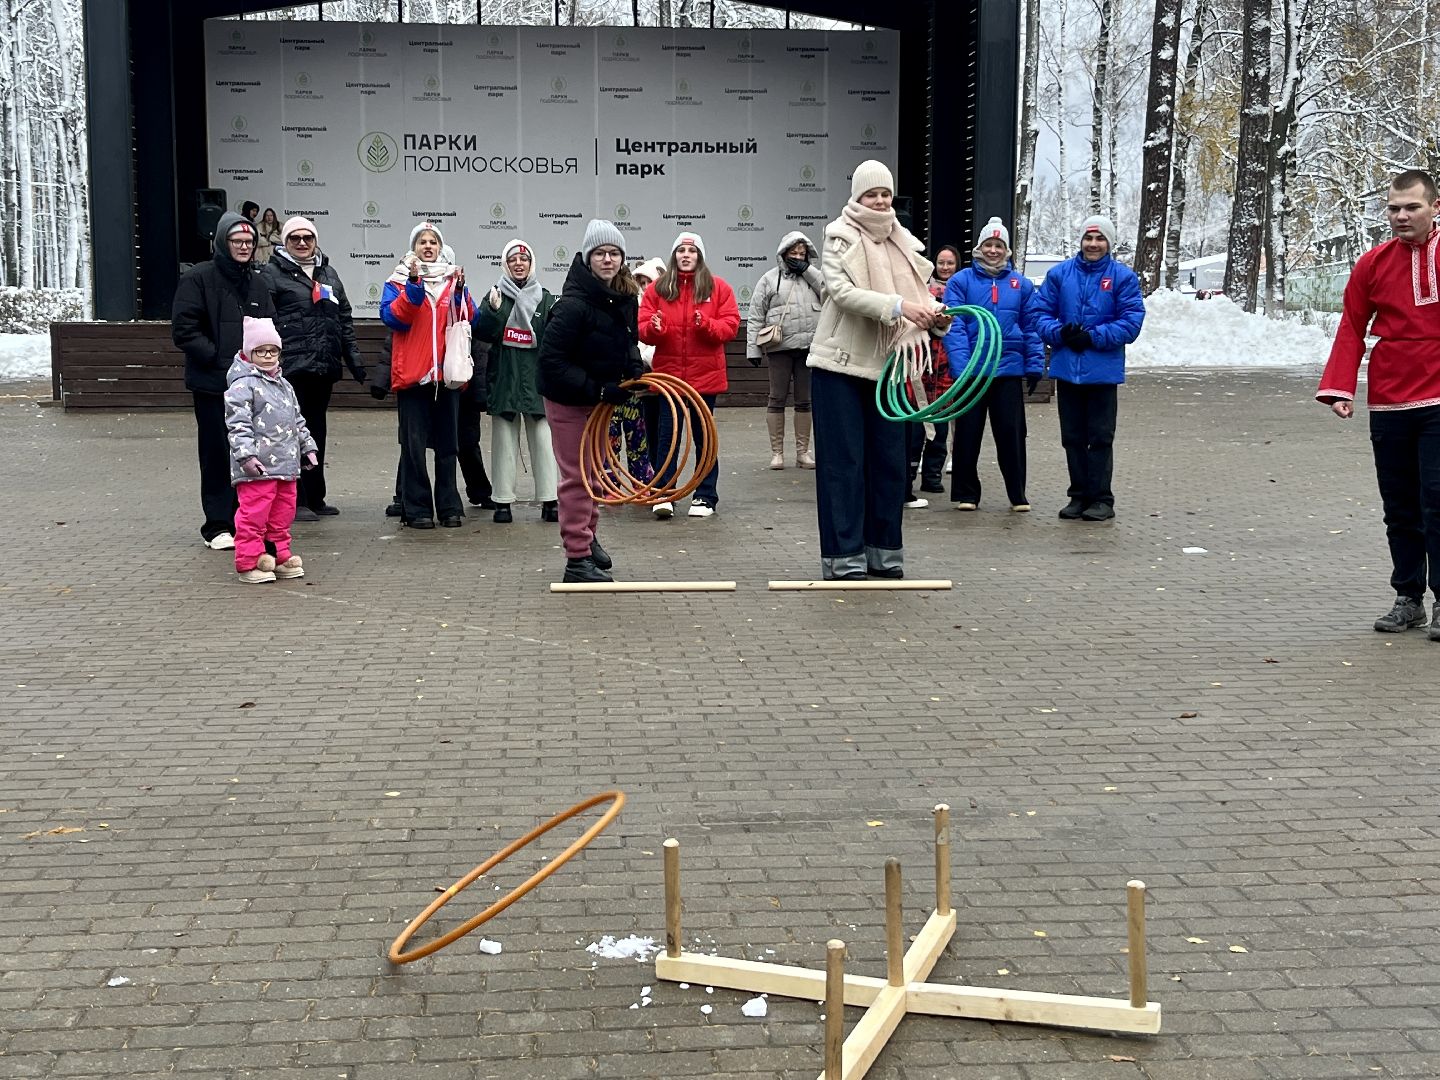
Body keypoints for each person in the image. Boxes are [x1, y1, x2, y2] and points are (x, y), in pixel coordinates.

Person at [806, 160, 950, 580]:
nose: (880, 201)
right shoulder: (839, 237)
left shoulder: (904, 242)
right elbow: (844, 292)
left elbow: (920, 298)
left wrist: (936, 318)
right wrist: (900, 307)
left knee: (889, 461)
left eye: (886, 194)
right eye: (872, 194)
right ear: (857, 197)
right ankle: (843, 556)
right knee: (843, 464)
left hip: (889, 369)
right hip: (839, 366)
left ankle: (884, 551)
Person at [1317, 168, 1440, 638]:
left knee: (1438, 499)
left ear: (1434, 207)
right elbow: (1351, 325)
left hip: (1439, 398)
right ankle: (1408, 596)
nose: (1401, 215)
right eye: (1394, 208)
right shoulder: (1371, 263)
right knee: (1400, 505)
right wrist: (1340, 387)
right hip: (1389, 399)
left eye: (1412, 206)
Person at [538, 220, 645, 583]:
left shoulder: (625, 296)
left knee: (596, 475)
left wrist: (633, 369)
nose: (608, 259)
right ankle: (577, 560)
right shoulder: (572, 305)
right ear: (588, 257)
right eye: (600, 253)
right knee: (578, 479)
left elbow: (627, 341)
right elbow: (551, 362)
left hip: (601, 400)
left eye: (614, 253)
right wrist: (598, 389)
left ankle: (588, 534)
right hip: (569, 401)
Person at [171, 211, 276, 550]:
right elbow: (185, 330)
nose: (244, 247)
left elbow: (270, 331)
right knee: (217, 454)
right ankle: (217, 526)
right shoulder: (198, 279)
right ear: (222, 243)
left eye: (249, 242)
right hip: (213, 385)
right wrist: (219, 360)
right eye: (237, 241)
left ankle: (246, 522)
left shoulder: (259, 282)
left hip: (254, 389)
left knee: (249, 455)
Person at [1031, 215, 1145, 521]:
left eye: (1099, 239)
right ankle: (1079, 496)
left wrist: (1093, 337)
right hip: (1068, 371)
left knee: (1100, 437)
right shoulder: (1060, 275)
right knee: (1073, 437)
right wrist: (1061, 333)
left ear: (1109, 243)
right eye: (1088, 239)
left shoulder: (1122, 277)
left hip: (1102, 372)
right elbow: (1039, 313)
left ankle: (1101, 499)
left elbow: (1131, 321)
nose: (1093, 245)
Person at [261, 215, 366, 521]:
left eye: (308, 238)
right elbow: (265, 323)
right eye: (295, 238)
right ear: (286, 241)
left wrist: (354, 361)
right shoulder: (271, 275)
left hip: (323, 366)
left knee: (315, 432)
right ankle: (296, 501)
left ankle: (316, 496)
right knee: (290, 433)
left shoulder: (329, 274)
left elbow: (343, 319)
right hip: (289, 368)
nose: (303, 243)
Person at [375, 221, 478, 529]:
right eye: (422, 242)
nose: (428, 246)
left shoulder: (452, 280)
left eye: (433, 241)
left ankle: (448, 506)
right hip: (412, 376)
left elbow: (471, 318)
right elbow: (393, 318)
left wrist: (460, 293)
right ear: (414, 249)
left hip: (446, 377)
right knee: (413, 447)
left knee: (448, 446)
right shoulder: (397, 282)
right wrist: (414, 287)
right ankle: (417, 508)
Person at [940, 218, 1045, 513]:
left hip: (1007, 370)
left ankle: (1017, 494)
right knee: (967, 434)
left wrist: (1035, 363)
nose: (993, 250)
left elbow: (1032, 325)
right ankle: (966, 493)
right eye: (988, 245)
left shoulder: (1021, 284)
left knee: (1011, 434)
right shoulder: (961, 281)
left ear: (1007, 250)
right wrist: (962, 367)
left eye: (999, 246)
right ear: (979, 248)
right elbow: (954, 325)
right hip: (973, 371)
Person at [639, 232, 740, 518]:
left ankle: (706, 496)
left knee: (703, 438)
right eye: (681, 250)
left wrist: (706, 324)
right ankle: (664, 494)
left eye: (691, 251)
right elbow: (643, 326)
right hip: (669, 379)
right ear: (673, 256)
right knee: (667, 439)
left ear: (700, 256)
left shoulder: (718, 288)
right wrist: (656, 328)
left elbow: (730, 327)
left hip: (703, 380)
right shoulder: (658, 289)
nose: (686, 255)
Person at [223, 317, 318, 584]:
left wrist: (307, 446)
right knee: (253, 515)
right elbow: (238, 424)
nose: (267, 356)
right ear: (249, 352)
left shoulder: (285, 385)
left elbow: (297, 420)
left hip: (286, 466)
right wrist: (246, 456)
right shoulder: (242, 385)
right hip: (257, 466)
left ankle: (278, 555)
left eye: (273, 350)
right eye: (261, 351)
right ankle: (249, 561)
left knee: (282, 513)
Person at [476, 238, 559, 523]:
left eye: (523, 259)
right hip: (505, 380)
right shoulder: (495, 296)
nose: (518, 264)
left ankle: (551, 500)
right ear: (505, 264)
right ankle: (502, 502)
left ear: (531, 263)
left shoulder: (546, 298)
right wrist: (494, 312)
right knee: (503, 445)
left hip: (537, 381)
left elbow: (553, 339)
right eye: (513, 260)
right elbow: (484, 333)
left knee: (544, 443)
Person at [746, 231, 825, 470]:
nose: (798, 257)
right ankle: (777, 452)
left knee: (805, 401)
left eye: (802, 254)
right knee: (776, 398)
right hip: (779, 348)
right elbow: (756, 314)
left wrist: (807, 270)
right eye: (794, 253)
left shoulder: (815, 277)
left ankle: (803, 452)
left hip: (808, 348)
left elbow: (830, 293)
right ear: (783, 254)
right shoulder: (769, 279)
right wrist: (753, 350)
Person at [919, 244, 961, 491]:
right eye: (941, 262)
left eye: (950, 263)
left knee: (947, 415)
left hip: (951, 359)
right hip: (926, 358)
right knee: (920, 415)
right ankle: (915, 467)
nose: (945, 267)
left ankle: (936, 472)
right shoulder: (923, 290)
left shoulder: (962, 289)